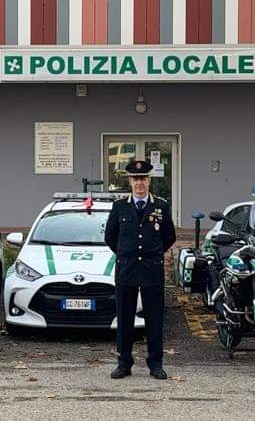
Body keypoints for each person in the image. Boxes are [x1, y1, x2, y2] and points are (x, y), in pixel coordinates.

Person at [104, 160, 176, 380]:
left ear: (149, 180)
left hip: (151, 270)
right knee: (124, 318)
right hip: (127, 269)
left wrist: (153, 254)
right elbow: (110, 236)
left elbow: (169, 236)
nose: (139, 183)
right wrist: (126, 254)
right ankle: (124, 363)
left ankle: (155, 364)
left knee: (154, 319)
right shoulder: (120, 206)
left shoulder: (161, 206)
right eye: (135, 179)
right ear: (130, 181)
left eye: (143, 178)